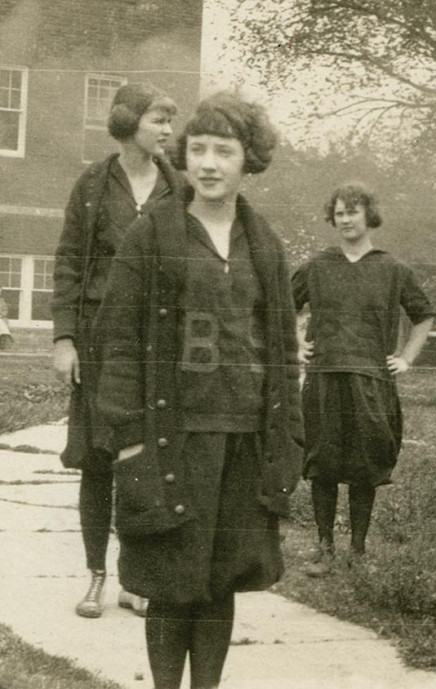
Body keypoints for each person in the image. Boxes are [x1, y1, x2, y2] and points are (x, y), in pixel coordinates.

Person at [91, 92, 303, 689]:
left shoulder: (264, 243)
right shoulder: (150, 235)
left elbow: (284, 350)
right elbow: (120, 341)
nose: (208, 163)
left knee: (220, 578)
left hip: (243, 438)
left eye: (224, 151)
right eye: (199, 149)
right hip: (171, 437)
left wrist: (287, 436)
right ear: (184, 155)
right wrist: (128, 436)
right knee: (170, 578)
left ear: (247, 160)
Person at [51, 82, 180, 618]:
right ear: (130, 123)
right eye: (159, 120)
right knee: (99, 464)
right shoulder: (93, 185)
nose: (169, 130)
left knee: (145, 463)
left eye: (171, 120)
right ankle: (95, 578)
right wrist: (64, 338)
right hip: (101, 347)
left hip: (158, 347)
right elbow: (68, 264)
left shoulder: (181, 190)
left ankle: (135, 579)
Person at [293, 183, 435, 576]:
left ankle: (357, 550)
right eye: (339, 213)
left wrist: (406, 357)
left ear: (368, 215)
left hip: (371, 380)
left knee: (364, 464)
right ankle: (324, 549)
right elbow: (283, 304)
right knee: (322, 462)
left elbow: (423, 316)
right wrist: (295, 344)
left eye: (352, 211)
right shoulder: (318, 265)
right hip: (324, 375)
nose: (345, 219)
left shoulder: (392, 269)